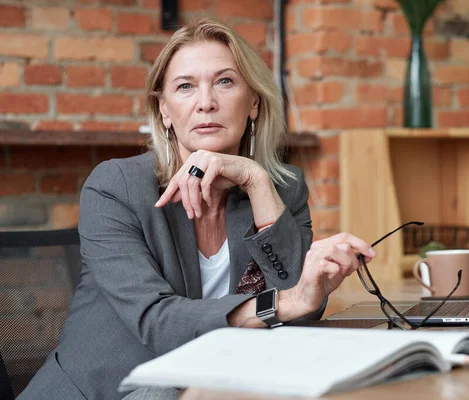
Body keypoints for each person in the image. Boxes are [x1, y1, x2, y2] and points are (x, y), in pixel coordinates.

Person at [18, 18, 376, 400]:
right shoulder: (115, 187)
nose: (206, 102)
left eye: (225, 81)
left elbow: (300, 306)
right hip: (105, 392)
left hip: (207, 388)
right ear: (165, 110)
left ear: (253, 101)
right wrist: (283, 304)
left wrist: (255, 180)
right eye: (185, 86)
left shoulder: (282, 189)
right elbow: (158, 322)